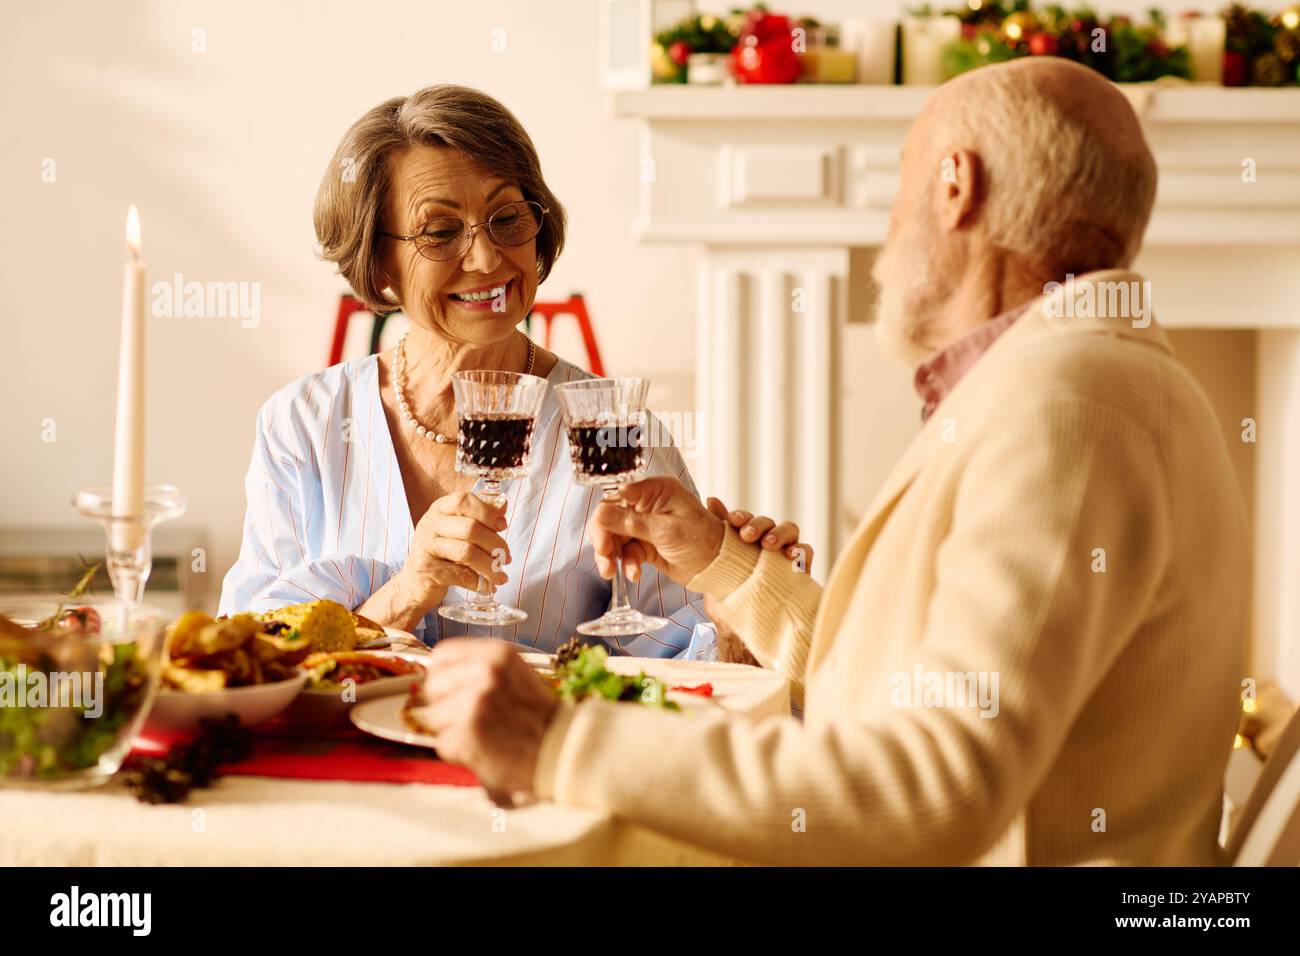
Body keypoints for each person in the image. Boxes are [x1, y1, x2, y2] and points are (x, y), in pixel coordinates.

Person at [414, 58, 1251, 865]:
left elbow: (932, 793)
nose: (889, 228)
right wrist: (723, 563)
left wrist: (559, 742)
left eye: (901, 184)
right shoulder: (1080, 379)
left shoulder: (1068, 408)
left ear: (956, 186)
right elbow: (897, 691)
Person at [219, 85, 718, 656]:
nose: (486, 259)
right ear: (378, 261)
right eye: (440, 231)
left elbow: (683, 662)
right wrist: (406, 593)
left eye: (506, 217)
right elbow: (247, 653)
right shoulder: (303, 423)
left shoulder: (614, 430)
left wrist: (749, 593)